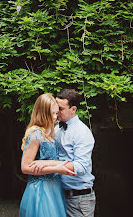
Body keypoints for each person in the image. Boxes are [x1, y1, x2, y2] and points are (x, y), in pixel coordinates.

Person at [29, 89, 95, 217]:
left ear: (73, 109)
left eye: (61, 108)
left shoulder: (82, 132)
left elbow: (80, 167)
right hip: (57, 195)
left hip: (78, 199)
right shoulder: (56, 128)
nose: (56, 111)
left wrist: (49, 165)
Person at [19, 93, 76, 217]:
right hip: (41, 190)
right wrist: (57, 169)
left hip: (54, 188)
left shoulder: (49, 133)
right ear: (43, 113)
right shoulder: (35, 134)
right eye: (53, 113)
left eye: (56, 113)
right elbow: (25, 167)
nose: (56, 117)